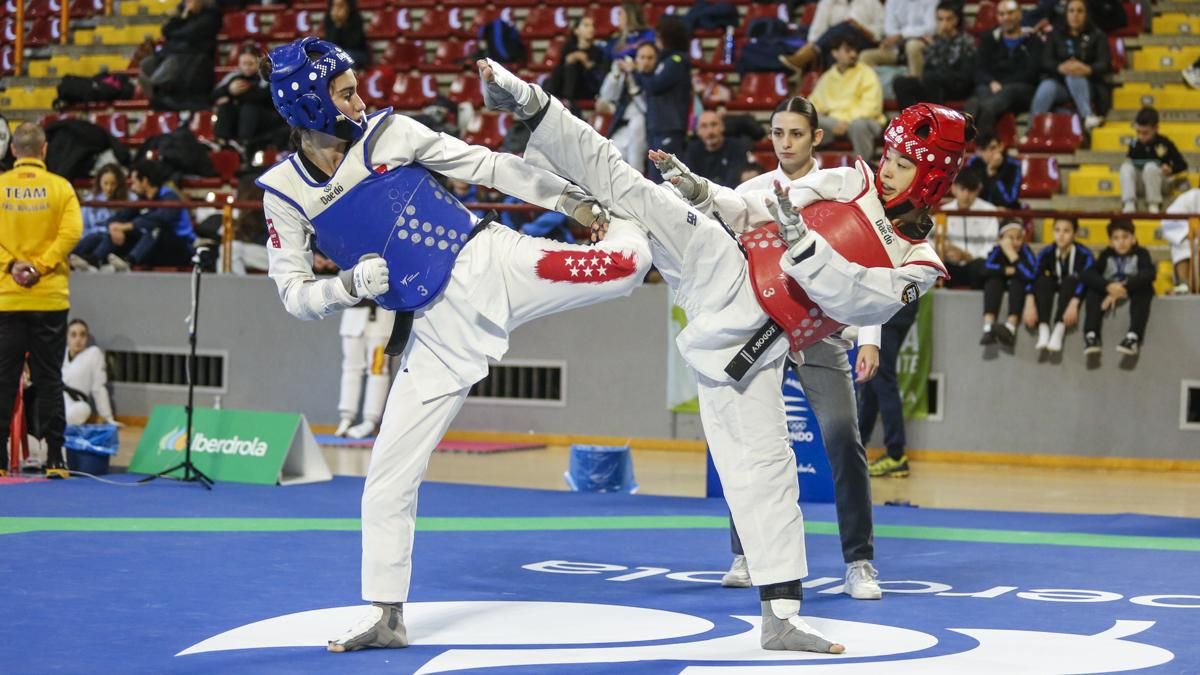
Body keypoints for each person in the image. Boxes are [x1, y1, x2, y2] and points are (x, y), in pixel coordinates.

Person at [479, 57, 972, 653]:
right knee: (636, 190)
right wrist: (701, 191)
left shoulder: (920, 265)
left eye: (904, 164)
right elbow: (753, 210)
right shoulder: (849, 181)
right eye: (890, 157)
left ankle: (782, 617)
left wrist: (803, 242)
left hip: (760, 346)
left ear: (932, 179)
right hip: (726, 267)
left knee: (766, 472)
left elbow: (856, 299)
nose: (889, 170)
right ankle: (533, 104)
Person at [255, 38, 652, 652]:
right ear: (307, 104)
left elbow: (488, 165)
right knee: (387, 479)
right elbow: (292, 294)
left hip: (489, 261)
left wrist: (573, 201)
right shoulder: (283, 193)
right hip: (433, 333)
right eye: (344, 92)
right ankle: (386, 616)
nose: (361, 100)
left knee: (625, 266)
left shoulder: (391, 133)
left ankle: (634, 209)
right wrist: (348, 286)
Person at [715, 97, 883, 602]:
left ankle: (860, 563)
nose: (785, 142)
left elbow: (869, 269)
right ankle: (745, 552)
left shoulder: (840, 193)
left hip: (823, 332)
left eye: (795, 133)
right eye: (778, 133)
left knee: (843, 442)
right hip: (762, 333)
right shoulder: (749, 193)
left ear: (815, 138)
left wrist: (869, 336)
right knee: (750, 445)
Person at [0, 123, 83, 479]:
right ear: (44, 150)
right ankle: (55, 459)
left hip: (6, 298)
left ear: (14, 151)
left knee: (3, 379)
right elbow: (72, 233)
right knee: (49, 378)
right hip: (49, 297)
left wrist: (11, 264)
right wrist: (41, 265)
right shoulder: (61, 188)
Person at [72, 159, 196, 270]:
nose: (132, 185)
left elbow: (159, 219)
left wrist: (126, 226)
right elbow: (120, 216)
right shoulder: (142, 199)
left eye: (135, 181)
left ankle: (129, 261)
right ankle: (93, 259)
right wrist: (113, 226)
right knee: (101, 235)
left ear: (145, 181)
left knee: (156, 229)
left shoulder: (169, 196)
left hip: (179, 248)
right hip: (154, 248)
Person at [1029, 0, 1109, 131]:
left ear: (1086, 14)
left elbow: (1104, 64)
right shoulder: (1055, 35)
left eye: (1079, 11)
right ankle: (1032, 129)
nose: (1075, 15)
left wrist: (1087, 69)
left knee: (1074, 73)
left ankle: (1087, 115)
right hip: (1060, 84)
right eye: (1071, 11)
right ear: (1066, 14)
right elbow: (1045, 61)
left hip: (1088, 84)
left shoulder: (1098, 35)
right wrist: (1060, 67)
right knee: (1046, 86)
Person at [861, 300, 919, 477]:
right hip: (899, 305)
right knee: (871, 381)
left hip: (888, 307)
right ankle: (855, 446)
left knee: (883, 380)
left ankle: (896, 455)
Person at [1081, 218, 1154, 356]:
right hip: (1109, 289)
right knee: (1092, 290)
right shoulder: (1106, 255)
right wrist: (1108, 286)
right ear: (1110, 242)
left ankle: (1133, 337)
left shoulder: (1141, 253)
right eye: (1116, 238)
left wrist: (1123, 288)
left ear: (1133, 238)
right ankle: (1091, 335)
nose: (1121, 242)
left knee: (1145, 288)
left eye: (1125, 237)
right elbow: (1087, 274)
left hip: (1132, 289)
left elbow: (1149, 273)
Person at [967, 0, 1039, 138]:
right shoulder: (988, 38)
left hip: (1021, 89)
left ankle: (981, 140)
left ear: (1020, 14)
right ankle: (967, 137)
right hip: (993, 87)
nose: (1006, 17)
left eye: (1011, 13)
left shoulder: (1032, 39)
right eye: (1002, 14)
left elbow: (1032, 72)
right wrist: (992, 81)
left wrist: (1003, 85)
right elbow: (979, 69)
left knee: (1005, 93)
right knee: (977, 95)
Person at [809, 35, 886, 162]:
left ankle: (862, 170)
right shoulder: (827, 77)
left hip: (864, 121)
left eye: (855, 51)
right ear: (835, 53)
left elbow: (872, 108)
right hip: (834, 123)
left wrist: (846, 121)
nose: (853, 54)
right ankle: (806, 171)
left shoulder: (867, 73)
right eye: (848, 50)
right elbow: (814, 104)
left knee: (858, 125)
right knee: (806, 122)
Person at [138, 0, 221, 111]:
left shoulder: (210, 16)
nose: (188, 4)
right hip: (174, 52)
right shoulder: (183, 14)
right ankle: (154, 88)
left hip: (194, 55)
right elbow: (166, 31)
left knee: (173, 61)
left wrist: (183, 22)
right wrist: (179, 19)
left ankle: (155, 86)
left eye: (191, 1)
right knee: (148, 62)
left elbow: (189, 33)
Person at [893, 2, 976, 110]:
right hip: (933, 84)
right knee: (901, 82)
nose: (944, 24)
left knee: (931, 78)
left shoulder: (966, 41)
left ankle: (936, 122)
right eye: (940, 19)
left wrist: (937, 75)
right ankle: (911, 123)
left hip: (957, 87)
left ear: (956, 20)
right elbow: (927, 68)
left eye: (948, 19)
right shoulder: (936, 41)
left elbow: (965, 77)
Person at [637, 16, 692, 181]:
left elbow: (655, 85)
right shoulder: (666, 61)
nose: (656, 41)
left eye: (659, 37)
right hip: (658, 125)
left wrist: (637, 72)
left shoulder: (676, 61)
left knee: (667, 176)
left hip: (669, 126)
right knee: (657, 175)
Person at [1031, 217, 1093, 353]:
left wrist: (1075, 301)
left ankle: (1059, 328)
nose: (1061, 235)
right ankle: (1044, 328)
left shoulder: (1085, 254)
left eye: (1066, 231)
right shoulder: (1045, 252)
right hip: (1052, 288)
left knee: (1071, 280)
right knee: (1043, 280)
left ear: (1075, 234)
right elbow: (1034, 277)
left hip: (1072, 290)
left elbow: (1087, 279)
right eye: (1057, 230)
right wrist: (1029, 302)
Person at [335, 302, 395, 439]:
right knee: (350, 368)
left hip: (381, 317)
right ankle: (346, 417)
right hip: (352, 317)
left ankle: (371, 420)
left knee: (378, 370)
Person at [779, 0, 885, 73]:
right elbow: (817, 29)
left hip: (864, 41)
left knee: (847, 26)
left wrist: (860, 27)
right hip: (835, 44)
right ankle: (836, 99)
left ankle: (808, 54)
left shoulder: (872, 2)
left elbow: (881, 30)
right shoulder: (827, 2)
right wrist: (812, 42)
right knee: (834, 53)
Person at [213, 44, 282, 156]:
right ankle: (221, 142)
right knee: (225, 107)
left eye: (251, 64)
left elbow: (262, 96)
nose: (247, 67)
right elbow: (214, 94)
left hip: (266, 119)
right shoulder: (233, 77)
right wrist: (229, 90)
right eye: (244, 64)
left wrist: (232, 95)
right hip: (240, 119)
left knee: (249, 107)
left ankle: (244, 143)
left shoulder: (266, 76)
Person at [598, 43, 655, 173]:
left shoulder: (652, 80)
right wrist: (615, 75)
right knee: (609, 159)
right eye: (642, 58)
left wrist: (634, 85)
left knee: (635, 166)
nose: (645, 62)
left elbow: (647, 109)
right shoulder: (627, 75)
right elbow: (606, 96)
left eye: (650, 58)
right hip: (622, 126)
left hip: (642, 127)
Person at [1120, 106, 1188, 214]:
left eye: (1145, 133)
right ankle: (1129, 203)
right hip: (1141, 183)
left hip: (1160, 183)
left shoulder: (1165, 143)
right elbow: (1130, 162)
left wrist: (1170, 169)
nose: (1141, 136)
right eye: (1138, 132)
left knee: (1150, 167)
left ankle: (1153, 204)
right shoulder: (1134, 144)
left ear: (1156, 128)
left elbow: (1183, 165)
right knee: (1126, 167)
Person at [980, 219, 1037, 347]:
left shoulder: (1025, 251)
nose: (1015, 242)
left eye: (1019, 238)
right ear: (1001, 239)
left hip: (1017, 286)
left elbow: (1030, 274)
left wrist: (1012, 256)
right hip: (999, 284)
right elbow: (985, 269)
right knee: (992, 281)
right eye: (1010, 238)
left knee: (1018, 282)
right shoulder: (997, 250)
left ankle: (1010, 327)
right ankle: (988, 327)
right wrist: (1005, 270)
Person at [941, 169, 999, 289]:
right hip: (950, 265)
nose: (966, 195)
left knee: (982, 266)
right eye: (962, 189)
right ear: (954, 188)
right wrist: (945, 252)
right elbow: (932, 241)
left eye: (971, 190)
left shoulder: (989, 211)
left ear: (978, 190)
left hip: (976, 265)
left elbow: (991, 244)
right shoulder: (942, 212)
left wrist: (969, 256)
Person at [70, 164, 128, 272]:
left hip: (116, 242)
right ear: (99, 183)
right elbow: (83, 227)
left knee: (105, 236)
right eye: (105, 184)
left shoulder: (129, 200)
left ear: (119, 184)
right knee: (91, 238)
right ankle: (74, 259)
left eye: (113, 184)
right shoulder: (91, 200)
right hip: (91, 239)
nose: (109, 188)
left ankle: (93, 261)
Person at [545, 16, 608, 114]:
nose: (591, 29)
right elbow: (560, 72)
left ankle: (566, 100)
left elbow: (598, 76)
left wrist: (586, 62)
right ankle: (552, 99)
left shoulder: (597, 51)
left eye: (592, 26)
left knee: (571, 66)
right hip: (568, 86)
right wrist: (570, 59)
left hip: (587, 87)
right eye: (586, 26)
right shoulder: (568, 48)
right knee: (560, 70)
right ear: (576, 31)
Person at [859, 0, 938, 77]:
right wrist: (903, 35)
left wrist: (902, 34)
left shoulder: (931, 1)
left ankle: (914, 85)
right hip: (897, 48)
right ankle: (881, 87)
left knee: (912, 46)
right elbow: (889, 29)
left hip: (922, 44)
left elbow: (931, 28)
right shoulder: (892, 1)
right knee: (865, 57)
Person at [62, 319, 116, 426]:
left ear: (87, 337)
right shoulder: (60, 354)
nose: (78, 339)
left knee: (84, 409)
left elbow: (99, 388)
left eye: (82, 335)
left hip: (76, 404)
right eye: (73, 335)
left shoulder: (93, 354)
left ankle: (59, 425)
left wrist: (107, 417)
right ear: (67, 337)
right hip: (57, 400)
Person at [684, 111, 751, 188]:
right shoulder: (692, 149)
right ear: (698, 131)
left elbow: (735, 179)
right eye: (704, 126)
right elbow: (691, 181)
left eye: (714, 124)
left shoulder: (737, 146)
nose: (710, 131)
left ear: (722, 127)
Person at [964, 129, 1022, 210]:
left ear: (1001, 146)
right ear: (978, 151)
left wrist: (993, 175)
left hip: (1007, 213)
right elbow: (970, 195)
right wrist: (990, 170)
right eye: (984, 150)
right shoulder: (973, 163)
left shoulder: (1014, 165)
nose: (989, 153)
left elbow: (1009, 200)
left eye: (993, 148)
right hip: (979, 212)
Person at [1162, 184, 1198, 293]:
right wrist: (1188, 233)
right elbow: (1170, 217)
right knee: (1182, 243)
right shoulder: (1193, 196)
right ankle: (1184, 285)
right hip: (1194, 239)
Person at [324, 0, 370, 67]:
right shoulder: (329, 18)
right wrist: (337, 25)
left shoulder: (356, 18)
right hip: (337, 53)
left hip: (357, 53)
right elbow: (331, 44)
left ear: (348, 6)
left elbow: (353, 44)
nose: (337, 9)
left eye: (341, 6)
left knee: (346, 56)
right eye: (334, 5)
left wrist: (344, 23)